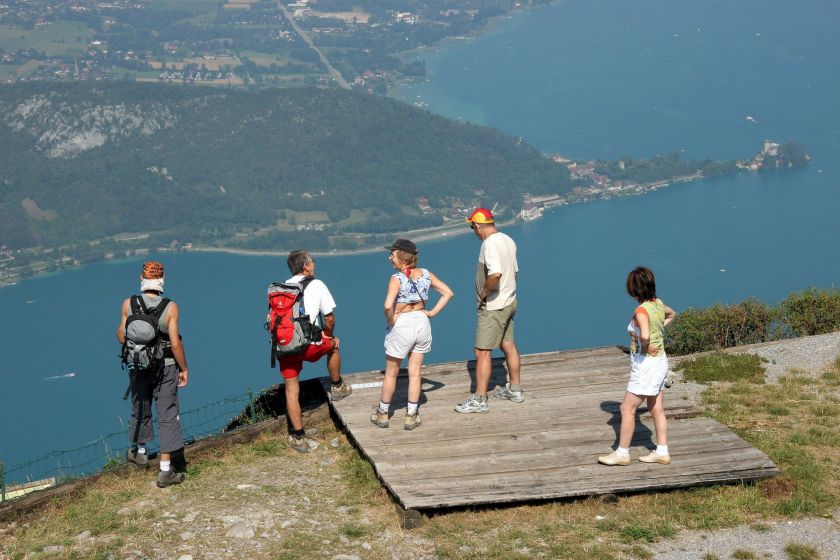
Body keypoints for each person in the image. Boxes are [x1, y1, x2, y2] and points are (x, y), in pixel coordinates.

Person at [117, 261, 189, 488]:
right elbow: (175, 344)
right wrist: (184, 369)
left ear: (142, 278)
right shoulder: (171, 307)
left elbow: (121, 337)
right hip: (165, 367)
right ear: (162, 281)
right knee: (167, 414)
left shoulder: (129, 304)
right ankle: (165, 471)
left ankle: (140, 452)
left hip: (138, 365)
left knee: (141, 405)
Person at [371, 239, 454, 430]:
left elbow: (387, 306)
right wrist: (431, 313)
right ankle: (411, 415)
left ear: (402, 257)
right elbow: (448, 293)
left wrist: (392, 320)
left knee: (391, 372)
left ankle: (383, 413)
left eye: (392, 254)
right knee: (415, 372)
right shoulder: (426, 274)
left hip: (403, 324)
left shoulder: (396, 278)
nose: (389, 257)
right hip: (422, 322)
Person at [599, 266, 677, 466]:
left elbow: (645, 335)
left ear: (634, 289)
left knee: (627, 408)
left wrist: (645, 346)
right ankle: (662, 451)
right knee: (656, 407)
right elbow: (672, 314)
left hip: (646, 366)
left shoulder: (641, 311)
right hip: (660, 362)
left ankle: (622, 453)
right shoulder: (658, 304)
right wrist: (657, 331)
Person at [279, 250, 351, 452]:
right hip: (311, 345)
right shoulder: (316, 284)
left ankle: (298, 437)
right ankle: (337, 387)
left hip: (287, 346)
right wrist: (328, 335)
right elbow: (329, 318)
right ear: (305, 267)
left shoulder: (281, 288)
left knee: (291, 389)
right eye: (312, 262)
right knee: (334, 346)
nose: (314, 264)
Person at [455, 208, 523, 414]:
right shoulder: (508, 240)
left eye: (472, 227)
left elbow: (495, 274)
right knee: (508, 345)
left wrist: (485, 292)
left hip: (493, 306)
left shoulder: (489, 244)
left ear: (477, 225)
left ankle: (480, 399)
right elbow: (515, 272)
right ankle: (515, 389)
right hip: (509, 301)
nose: (473, 231)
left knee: (482, 352)